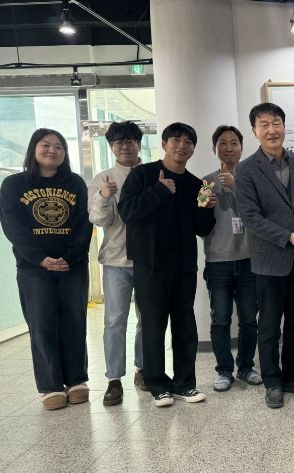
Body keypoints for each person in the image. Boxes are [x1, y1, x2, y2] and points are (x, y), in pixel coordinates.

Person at [118, 122, 216, 407]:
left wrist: (207, 209)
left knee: (185, 325)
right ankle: (157, 385)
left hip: (184, 265)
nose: (182, 146)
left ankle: (185, 384)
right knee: (153, 324)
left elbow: (202, 229)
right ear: (163, 144)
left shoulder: (196, 184)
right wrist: (159, 190)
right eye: (175, 140)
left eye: (188, 142)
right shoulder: (143, 174)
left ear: (193, 148)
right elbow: (127, 212)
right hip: (150, 263)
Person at [0, 128, 92, 410]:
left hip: (73, 266)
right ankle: (50, 386)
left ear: (65, 153)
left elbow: (84, 223)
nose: (52, 150)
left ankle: (76, 380)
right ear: (33, 149)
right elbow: (13, 226)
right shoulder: (13, 185)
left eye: (59, 146)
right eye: (46, 145)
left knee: (74, 321)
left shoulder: (76, 183)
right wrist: (40, 258)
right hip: (33, 268)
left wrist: (71, 257)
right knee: (41, 324)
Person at [235, 103, 294, 409]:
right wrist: (287, 236)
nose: (272, 130)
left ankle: (293, 376)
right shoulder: (246, 169)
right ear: (254, 131)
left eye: (276, 123)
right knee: (269, 325)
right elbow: (251, 217)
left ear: (284, 126)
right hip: (269, 258)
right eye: (264, 125)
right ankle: (272, 381)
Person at [88, 121, 147, 407]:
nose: (124, 146)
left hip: (148, 260)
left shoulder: (152, 173)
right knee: (114, 321)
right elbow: (98, 220)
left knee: (148, 318)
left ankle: (143, 369)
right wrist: (103, 197)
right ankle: (113, 379)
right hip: (115, 260)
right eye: (118, 142)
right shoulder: (103, 178)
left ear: (138, 144)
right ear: (111, 147)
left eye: (129, 141)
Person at [202, 125, 262, 392]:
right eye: (223, 143)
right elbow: (200, 223)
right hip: (218, 261)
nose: (229, 148)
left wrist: (237, 187)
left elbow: (260, 212)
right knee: (221, 319)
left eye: (234, 143)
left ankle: (246, 366)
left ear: (242, 147)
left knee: (249, 318)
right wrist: (205, 207)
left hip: (250, 258)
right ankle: (224, 370)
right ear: (214, 148)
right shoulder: (206, 182)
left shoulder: (252, 178)